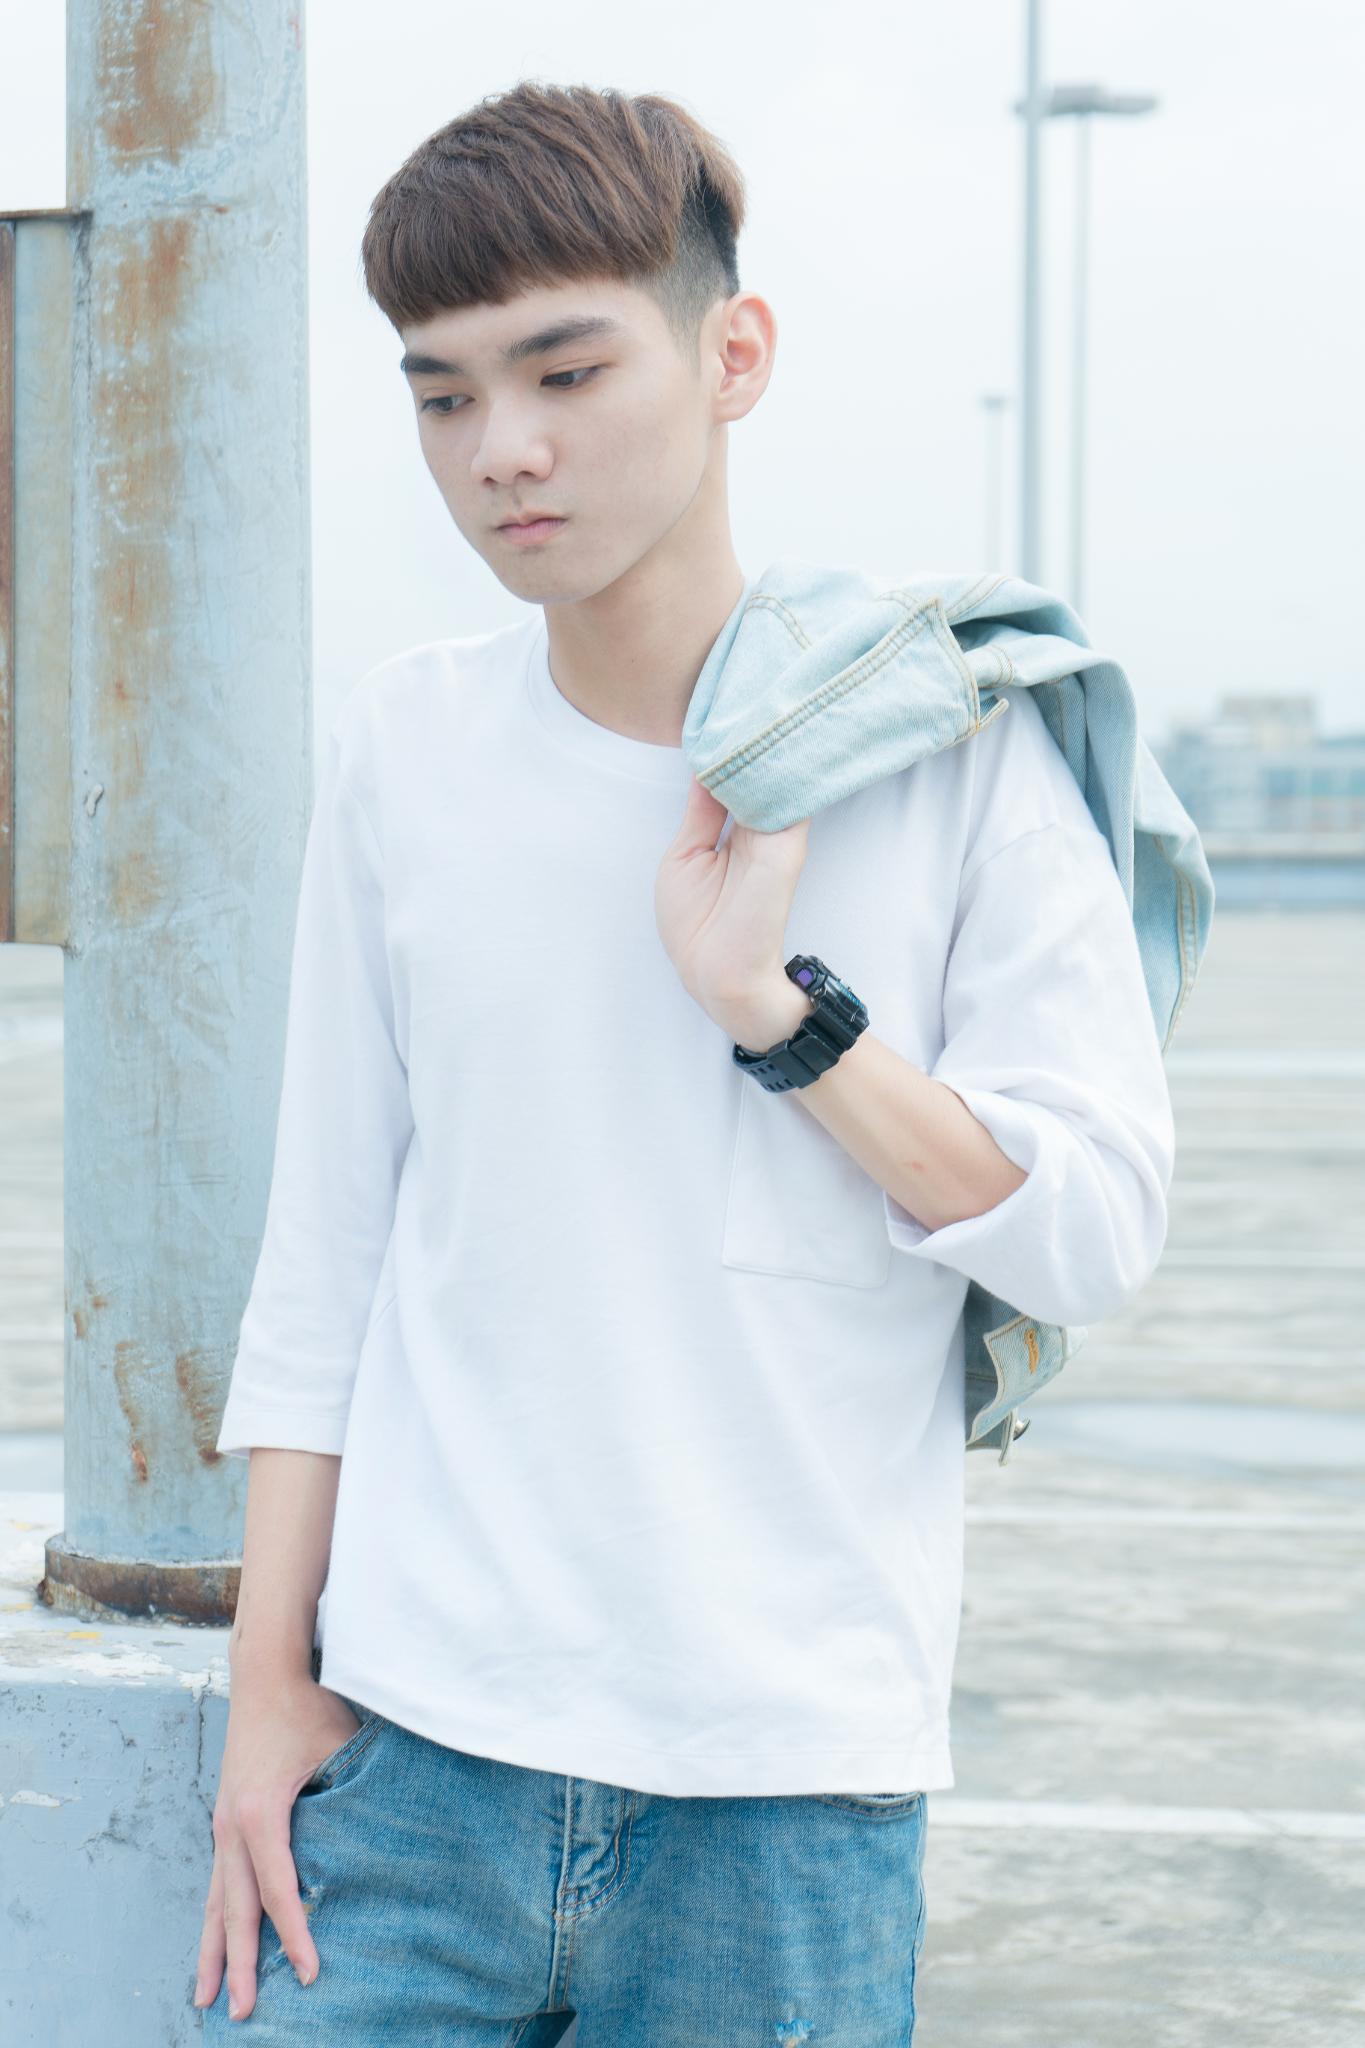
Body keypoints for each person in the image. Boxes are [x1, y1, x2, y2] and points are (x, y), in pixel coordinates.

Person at [194, 80, 1173, 2041]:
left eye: (563, 371)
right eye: (443, 395)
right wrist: (265, 1688)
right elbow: (327, 1257)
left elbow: (1089, 1232)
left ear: (733, 357)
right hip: (411, 1761)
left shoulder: (950, 747)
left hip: (781, 1798)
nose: (502, 448)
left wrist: (784, 1025)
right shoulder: (410, 744)